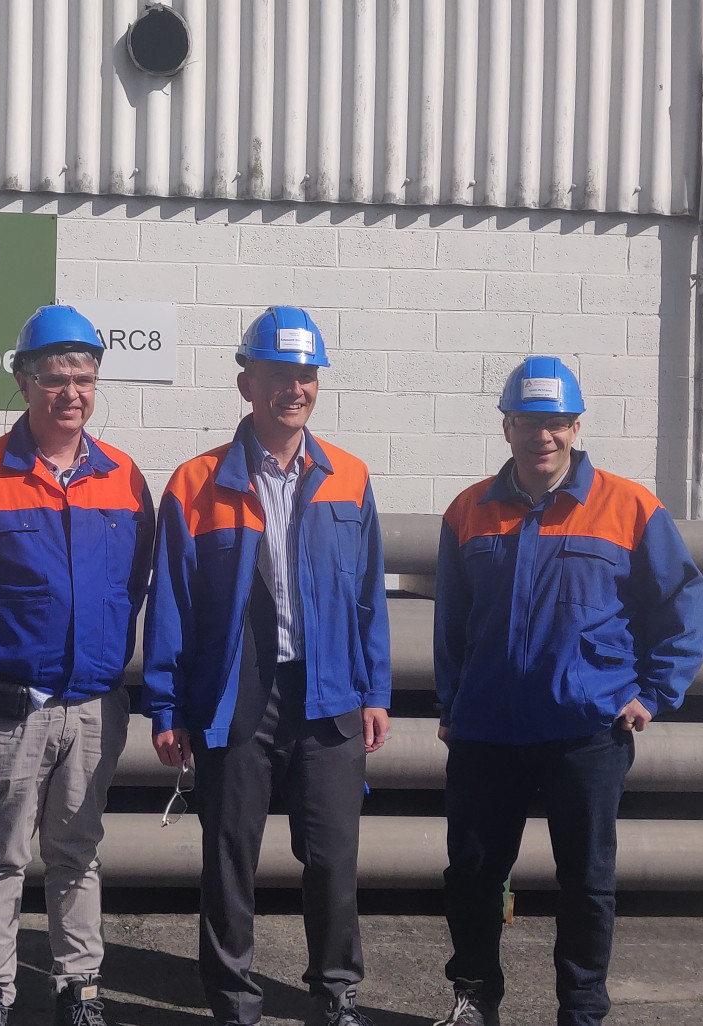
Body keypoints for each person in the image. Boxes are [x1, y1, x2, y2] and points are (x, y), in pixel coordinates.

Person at [431, 356, 703, 1026]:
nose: (543, 437)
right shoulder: (469, 511)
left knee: (585, 883)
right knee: (471, 877)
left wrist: (654, 692)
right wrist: (451, 703)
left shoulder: (630, 506)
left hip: (587, 732)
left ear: (576, 426)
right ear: (508, 427)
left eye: (556, 423)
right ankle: (474, 1001)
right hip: (487, 731)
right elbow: (452, 623)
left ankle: (581, 1011)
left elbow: (682, 603)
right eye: (529, 422)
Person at [143, 306, 392, 1026]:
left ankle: (337, 992)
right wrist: (166, 707)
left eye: (306, 376)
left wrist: (374, 689)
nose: (296, 388)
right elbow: (172, 605)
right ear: (248, 383)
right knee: (229, 862)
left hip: (330, 693)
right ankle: (232, 1003)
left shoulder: (349, 476)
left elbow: (369, 594)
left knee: (333, 860)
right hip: (235, 694)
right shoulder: (195, 483)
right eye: (280, 375)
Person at [0, 304, 154, 1026]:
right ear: (23, 381)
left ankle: (79, 985)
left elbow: (136, 578)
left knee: (78, 853)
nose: (71, 393)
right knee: (1, 854)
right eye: (55, 379)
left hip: (94, 705)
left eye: (84, 378)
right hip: (6, 708)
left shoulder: (124, 477)